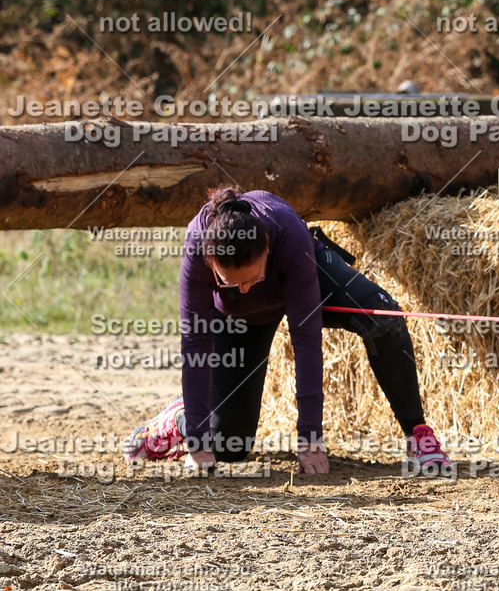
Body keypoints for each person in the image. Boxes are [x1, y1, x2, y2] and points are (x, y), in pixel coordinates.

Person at [124, 186, 450, 474]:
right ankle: (179, 418)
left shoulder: (287, 233)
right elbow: (196, 344)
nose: (246, 290)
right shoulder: (197, 248)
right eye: (232, 283)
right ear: (211, 265)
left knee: (383, 317)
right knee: (229, 446)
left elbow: (305, 339)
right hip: (240, 320)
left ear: (267, 247)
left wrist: (310, 437)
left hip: (299, 279)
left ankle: (417, 432)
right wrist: (197, 441)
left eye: (253, 278)